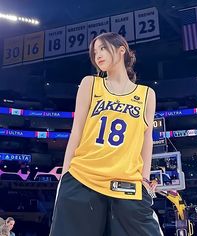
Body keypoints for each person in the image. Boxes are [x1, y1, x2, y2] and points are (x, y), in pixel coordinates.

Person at [49, 32, 164, 236]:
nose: (97, 55)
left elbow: (147, 138)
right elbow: (76, 130)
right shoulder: (90, 84)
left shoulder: (146, 94)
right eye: (94, 52)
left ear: (121, 50)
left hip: (127, 183)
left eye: (102, 48)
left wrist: (145, 180)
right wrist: (65, 176)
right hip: (83, 178)